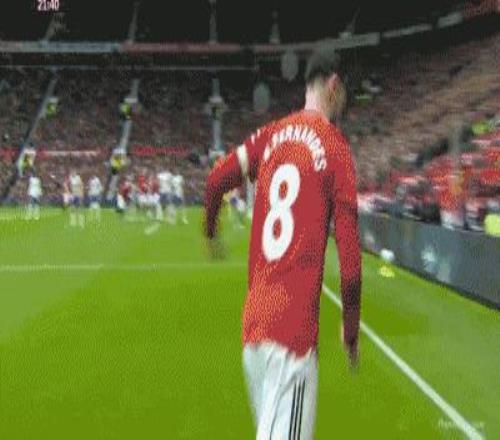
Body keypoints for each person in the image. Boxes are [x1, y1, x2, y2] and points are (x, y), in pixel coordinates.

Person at [204, 48, 362, 439]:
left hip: (255, 332)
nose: (345, 103)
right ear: (333, 84)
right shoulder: (335, 149)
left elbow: (216, 180)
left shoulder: (270, 135)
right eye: (345, 92)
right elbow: (350, 262)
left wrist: (211, 232)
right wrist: (350, 330)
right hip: (292, 341)